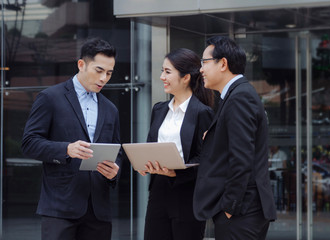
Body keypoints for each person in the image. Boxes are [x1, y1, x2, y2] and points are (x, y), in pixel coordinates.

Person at [22, 37, 121, 240]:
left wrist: (114, 172)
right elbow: (29, 143)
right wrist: (66, 149)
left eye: (109, 73)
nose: (104, 78)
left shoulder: (111, 109)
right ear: (81, 64)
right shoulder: (50, 98)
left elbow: (117, 152)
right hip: (60, 207)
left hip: (99, 211)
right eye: (99, 70)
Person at [193, 36, 277, 240]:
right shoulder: (235, 95)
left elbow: (241, 158)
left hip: (241, 211)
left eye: (204, 62)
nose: (201, 69)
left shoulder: (240, 97)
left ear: (223, 63)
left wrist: (229, 207)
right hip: (241, 210)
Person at [138, 48, 214, 240]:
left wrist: (177, 172)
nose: (162, 76)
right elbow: (150, 146)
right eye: (162, 71)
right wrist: (143, 162)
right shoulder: (159, 109)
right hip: (158, 192)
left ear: (186, 77)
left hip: (187, 194)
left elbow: (207, 160)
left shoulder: (202, 113)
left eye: (168, 72)